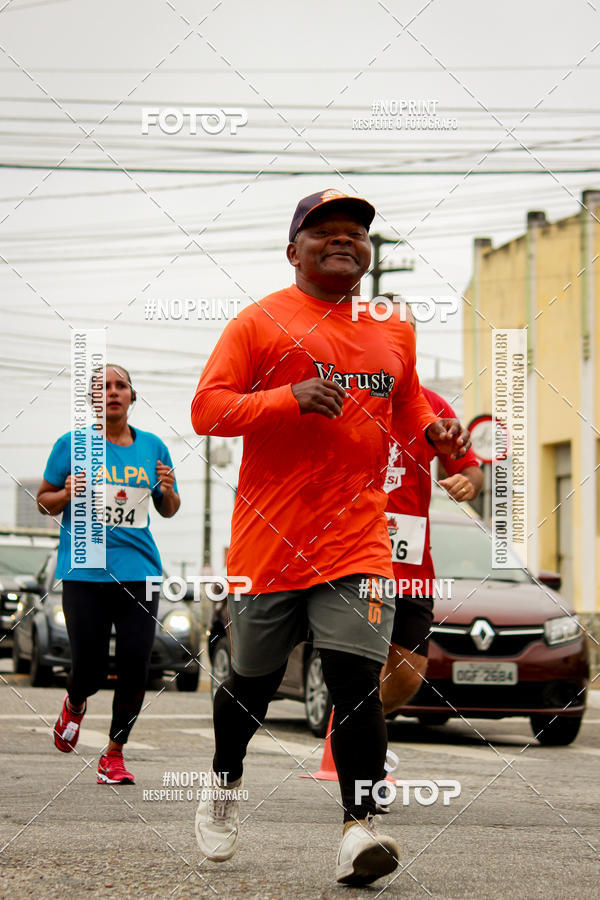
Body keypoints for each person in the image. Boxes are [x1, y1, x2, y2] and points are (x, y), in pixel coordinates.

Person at [191, 189, 471, 885]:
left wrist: (435, 433)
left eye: (355, 233)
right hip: (269, 541)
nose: (343, 241)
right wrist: (287, 398)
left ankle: (358, 831)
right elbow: (207, 410)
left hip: (357, 541)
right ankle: (224, 787)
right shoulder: (257, 323)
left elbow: (405, 409)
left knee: (356, 684)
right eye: (325, 233)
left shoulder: (393, 326)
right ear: (294, 252)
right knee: (250, 684)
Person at [37, 364, 180, 784]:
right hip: (84, 571)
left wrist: (167, 491)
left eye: (121, 386)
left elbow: (168, 509)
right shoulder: (72, 445)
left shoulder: (153, 447)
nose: (112, 392)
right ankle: (76, 701)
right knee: (91, 666)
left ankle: (114, 753)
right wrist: (66, 493)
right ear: (92, 400)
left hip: (140, 570)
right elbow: (45, 500)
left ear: (132, 397)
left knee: (136, 664)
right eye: (102, 387)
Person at [379, 300, 483, 718]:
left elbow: (471, 471)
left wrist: (467, 483)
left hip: (411, 560)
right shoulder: (347, 398)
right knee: (355, 660)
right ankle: (356, 742)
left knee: (409, 672)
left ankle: (358, 724)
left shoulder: (434, 407)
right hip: (351, 552)